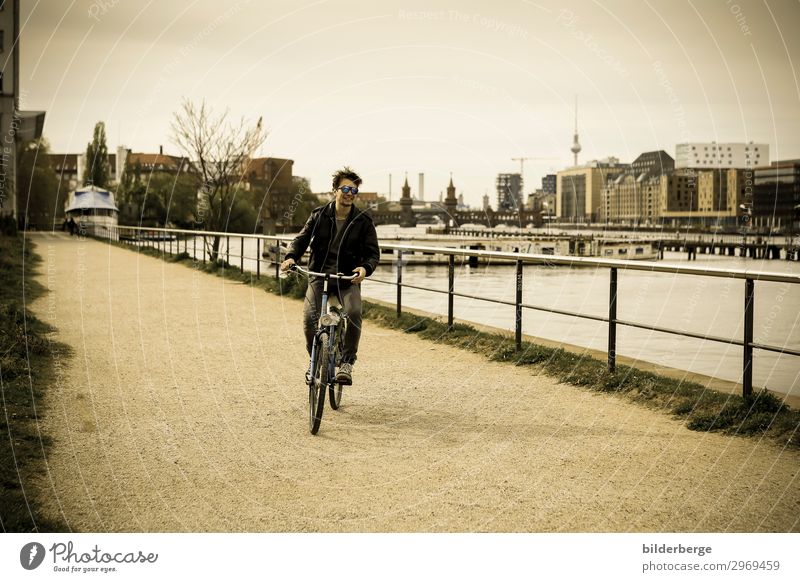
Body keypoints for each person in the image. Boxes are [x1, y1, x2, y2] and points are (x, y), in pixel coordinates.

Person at [280, 167, 380, 385]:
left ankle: (347, 363)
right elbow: (302, 239)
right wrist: (291, 257)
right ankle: (315, 358)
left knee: (353, 312)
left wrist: (365, 269)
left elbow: (373, 253)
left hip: (347, 278)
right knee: (309, 320)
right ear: (335, 190)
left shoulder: (363, 220)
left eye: (353, 190)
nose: (349, 193)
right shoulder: (319, 215)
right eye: (345, 188)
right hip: (319, 275)